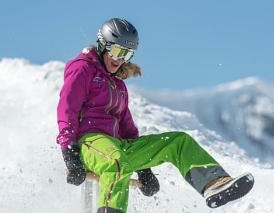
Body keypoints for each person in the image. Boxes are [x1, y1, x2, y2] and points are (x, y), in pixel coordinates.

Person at [56, 18, 254, 213]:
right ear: (103, 45)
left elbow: (125, 125)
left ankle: (214, 183)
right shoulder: (83, 69)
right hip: (89, 142)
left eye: (127, 54)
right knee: (116, 163)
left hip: (116, 146)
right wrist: (69, 152)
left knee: (178, 142)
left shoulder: (119, 85)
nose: (119, 59)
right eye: (116, 51)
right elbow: (67, 107)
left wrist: (144, 169)